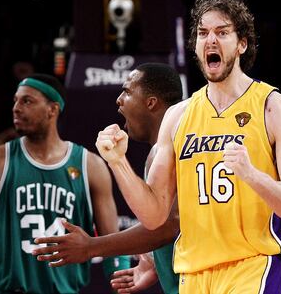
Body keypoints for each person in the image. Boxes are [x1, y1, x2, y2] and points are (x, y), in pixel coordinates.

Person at [96, 0, 281, 293]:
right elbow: (155, 214)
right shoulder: (178, 116)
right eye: (203, 33)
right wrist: (117, 161)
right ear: (195, 45)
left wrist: (251, 175)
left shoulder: (276, 108)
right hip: (194, 272)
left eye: (222, 32)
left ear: (242, 44)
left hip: (253, 264)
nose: (211, 40)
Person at [0, 73, 129, 294]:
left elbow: (112, 245)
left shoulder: (90, 166)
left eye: (27, 101)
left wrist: (123, 287)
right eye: (15, 101)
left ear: (52, 109)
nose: (16, 108)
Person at [32, 63, 183, 294]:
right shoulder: (160, 151)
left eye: (128, 92)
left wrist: (91, 246)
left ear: (151, 102)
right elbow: (175, 227)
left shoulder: (174, 147)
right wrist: (156, 260)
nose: (119, 100)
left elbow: (167, 227)